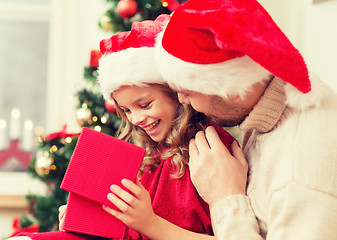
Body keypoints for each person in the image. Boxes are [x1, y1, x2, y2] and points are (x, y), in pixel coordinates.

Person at [10, 15, 236, 240]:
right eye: (126, 111)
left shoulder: (212, 150)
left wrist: (150, 224)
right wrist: (88, 223)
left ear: (177, 93)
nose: (135, 119)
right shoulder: (146, 159)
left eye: (145, 105)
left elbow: (234, 235)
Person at [155, 0, 337, 239]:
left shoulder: (300, 176)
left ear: (229, 87)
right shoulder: (271, 101)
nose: (182, 100)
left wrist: (225, 198)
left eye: (188, 91)